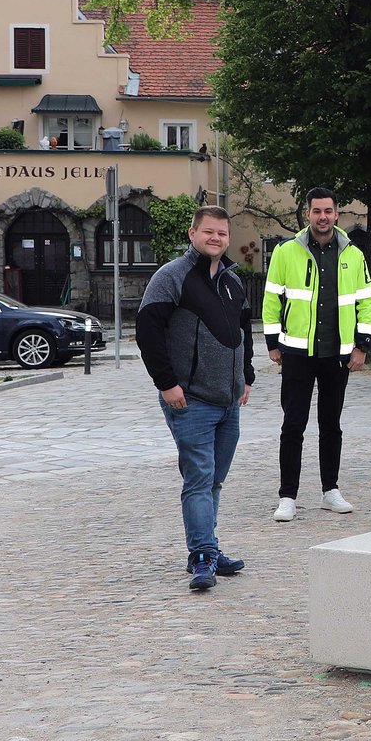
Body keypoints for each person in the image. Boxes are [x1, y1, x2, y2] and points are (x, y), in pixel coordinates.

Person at [137, 205, 255, 591]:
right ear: (193, 233)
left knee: (214, 480)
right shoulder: (171, 277)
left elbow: (243, 333)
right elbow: (147, 331)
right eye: (208, 232)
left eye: (222, 233)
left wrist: (246, 378)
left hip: (227, 401)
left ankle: (209, 546)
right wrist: (166, 383)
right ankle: (201, 554)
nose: (216, 239)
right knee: (200, 478)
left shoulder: (232, 281)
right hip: (190, 400)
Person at [262, 188, 371, 521]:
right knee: (293, 424)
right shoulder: (286, 252)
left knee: (331, 425)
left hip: (337, 355)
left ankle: (330, 491)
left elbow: (366, 301)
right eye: (316, 211)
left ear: (336, 214)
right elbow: (271, 298)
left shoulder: (353, 255)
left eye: (328, 211)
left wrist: (362, 345)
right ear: (307, 214)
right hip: (296, 353)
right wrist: (272, 342)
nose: (322, 217)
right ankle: (288, 496)